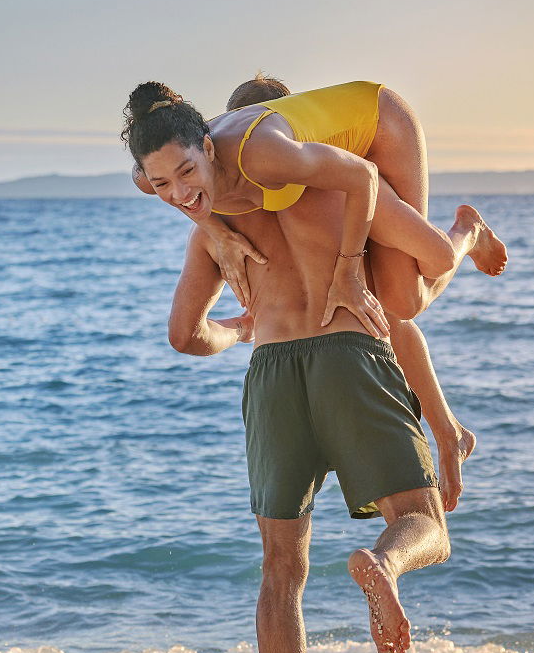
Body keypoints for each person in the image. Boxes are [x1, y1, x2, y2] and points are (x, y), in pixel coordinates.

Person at [130, 81, 455, 653]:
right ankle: (384, 564)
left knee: (281, 573)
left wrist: (237, 329)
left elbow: (184, 336)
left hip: (272, 372)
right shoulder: (336, 191)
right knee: (421, 521)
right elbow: (408, 305)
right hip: (349, 355)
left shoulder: (211, 224)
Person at [127, 76, 507, 510]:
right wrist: (215, 228)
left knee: (412, 290)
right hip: (319, 162)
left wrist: (348, 270)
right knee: (388, 307)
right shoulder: (176, 158)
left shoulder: (277, 154)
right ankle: (451, 433)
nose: (173, 189)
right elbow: (170, 183)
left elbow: (359, 175)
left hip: (385, 122)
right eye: (163, 184)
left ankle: (468, 231)